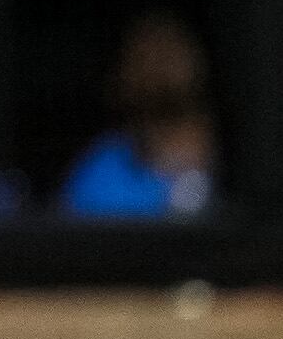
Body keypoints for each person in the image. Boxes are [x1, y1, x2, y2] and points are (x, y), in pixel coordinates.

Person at [59, 15, 219, 220]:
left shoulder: (204, 168)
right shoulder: (103, 164)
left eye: (168, 59)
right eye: (147, 60)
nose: (158, 71)